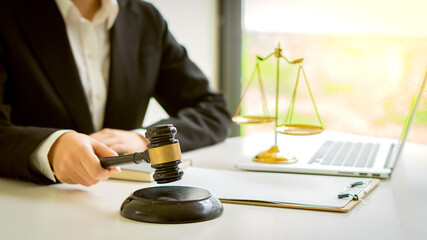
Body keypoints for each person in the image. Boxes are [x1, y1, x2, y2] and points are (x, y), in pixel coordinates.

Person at [0, 0, 231, 187]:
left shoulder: (145, 18)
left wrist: (144, 138)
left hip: (122, 207)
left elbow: (213, 109)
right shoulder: (7, 14)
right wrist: (50, 148)